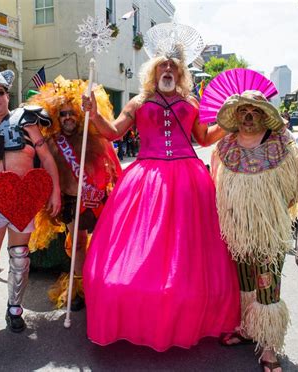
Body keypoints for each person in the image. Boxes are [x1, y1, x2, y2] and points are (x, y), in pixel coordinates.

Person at [81, 26, 240, 352]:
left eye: (173, 67)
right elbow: (113, 133)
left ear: (180, 73)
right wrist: (94, 115)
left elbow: (204, 139)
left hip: (189, 180)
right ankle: (139, 313)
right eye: (162, 66)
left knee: (191, 252)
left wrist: (228, 123)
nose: (167, 70)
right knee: (143, 249)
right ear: (153, 70)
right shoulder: (139, 102)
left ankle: (195, 313)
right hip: (147, 180)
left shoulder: (190, 101)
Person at [211, 90, 298, 372]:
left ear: (264, 115)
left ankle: (270, 346)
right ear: (235, 117)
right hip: (238, 232)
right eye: (243, 113)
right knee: (245, 282)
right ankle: (248, 329)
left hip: (269, 233)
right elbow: (216, 185)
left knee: (267, 286)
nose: (248, 118)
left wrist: (277, 210)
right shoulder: (225, 146)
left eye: (254, 112)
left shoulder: (281, 144)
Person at [0, 54, 60, 337]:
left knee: (20, 256)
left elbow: (46, 158)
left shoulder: (28, 122)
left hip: (24, 200)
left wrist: (55, 190)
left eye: (0, 92)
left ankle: (15, 310)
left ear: (8, 95)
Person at [28, 76, 121, 311]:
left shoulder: (94, 137)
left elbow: (112, 167)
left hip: (96, 200)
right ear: (57, 117)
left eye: (72, 113)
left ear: (79, 114)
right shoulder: (51, 141)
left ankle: (102, 281)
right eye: (63, 114)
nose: (68, 117)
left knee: (103, 243)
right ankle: (81, 289)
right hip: (71, 201)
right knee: (78, 244)